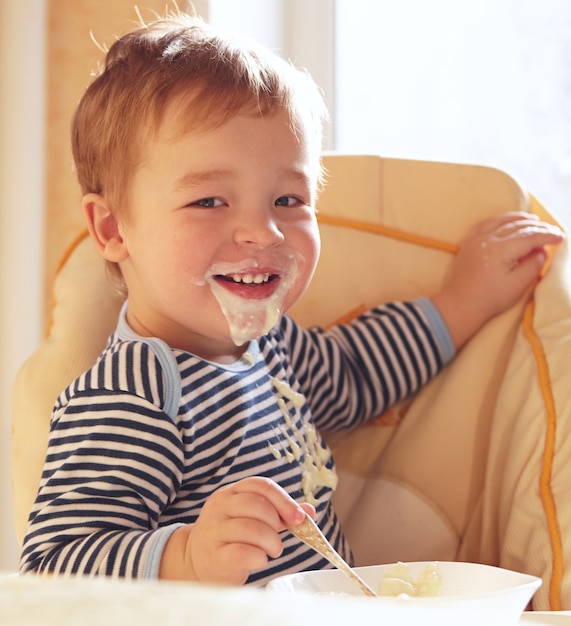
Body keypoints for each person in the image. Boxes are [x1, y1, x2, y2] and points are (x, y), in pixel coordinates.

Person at [19, 10, 564, 587]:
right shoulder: (136, 390)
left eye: (288, 199)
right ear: (112, 230)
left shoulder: (269, 342)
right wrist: (187, 556)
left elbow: (355, 373)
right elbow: (56, 565)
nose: (265, 232)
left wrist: (466, 301)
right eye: (209, 201)